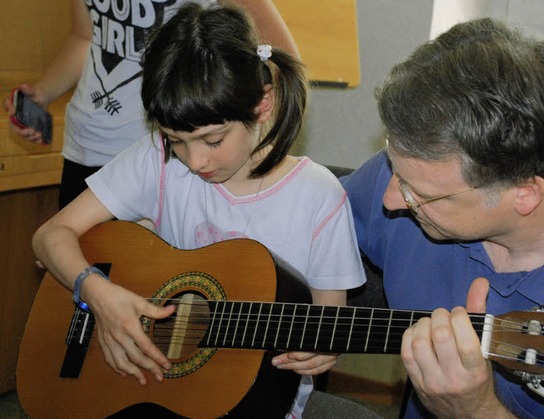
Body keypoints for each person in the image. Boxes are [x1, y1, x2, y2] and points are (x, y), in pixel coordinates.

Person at [31, 3, 376, 418]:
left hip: (261, 401)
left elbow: (326, 322)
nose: (194, 161)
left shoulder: (319, 198)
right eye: (177, 140)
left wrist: (324, 348)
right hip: (152, 383)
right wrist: (98, 295)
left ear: (263, 105)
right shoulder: (156, 160)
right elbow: (50, 235)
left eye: (213, 140)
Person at [341, 17, 544, 418]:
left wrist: (475, 410)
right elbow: (301, 224)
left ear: (524, 194)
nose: (391, 198)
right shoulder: (417, 170)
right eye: (392, 168)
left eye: (420, 194)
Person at [3, 0, 299, 209]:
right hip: (86, 144)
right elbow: (85, 37)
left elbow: (276, 55)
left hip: (167, 153)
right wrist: (44, 90)